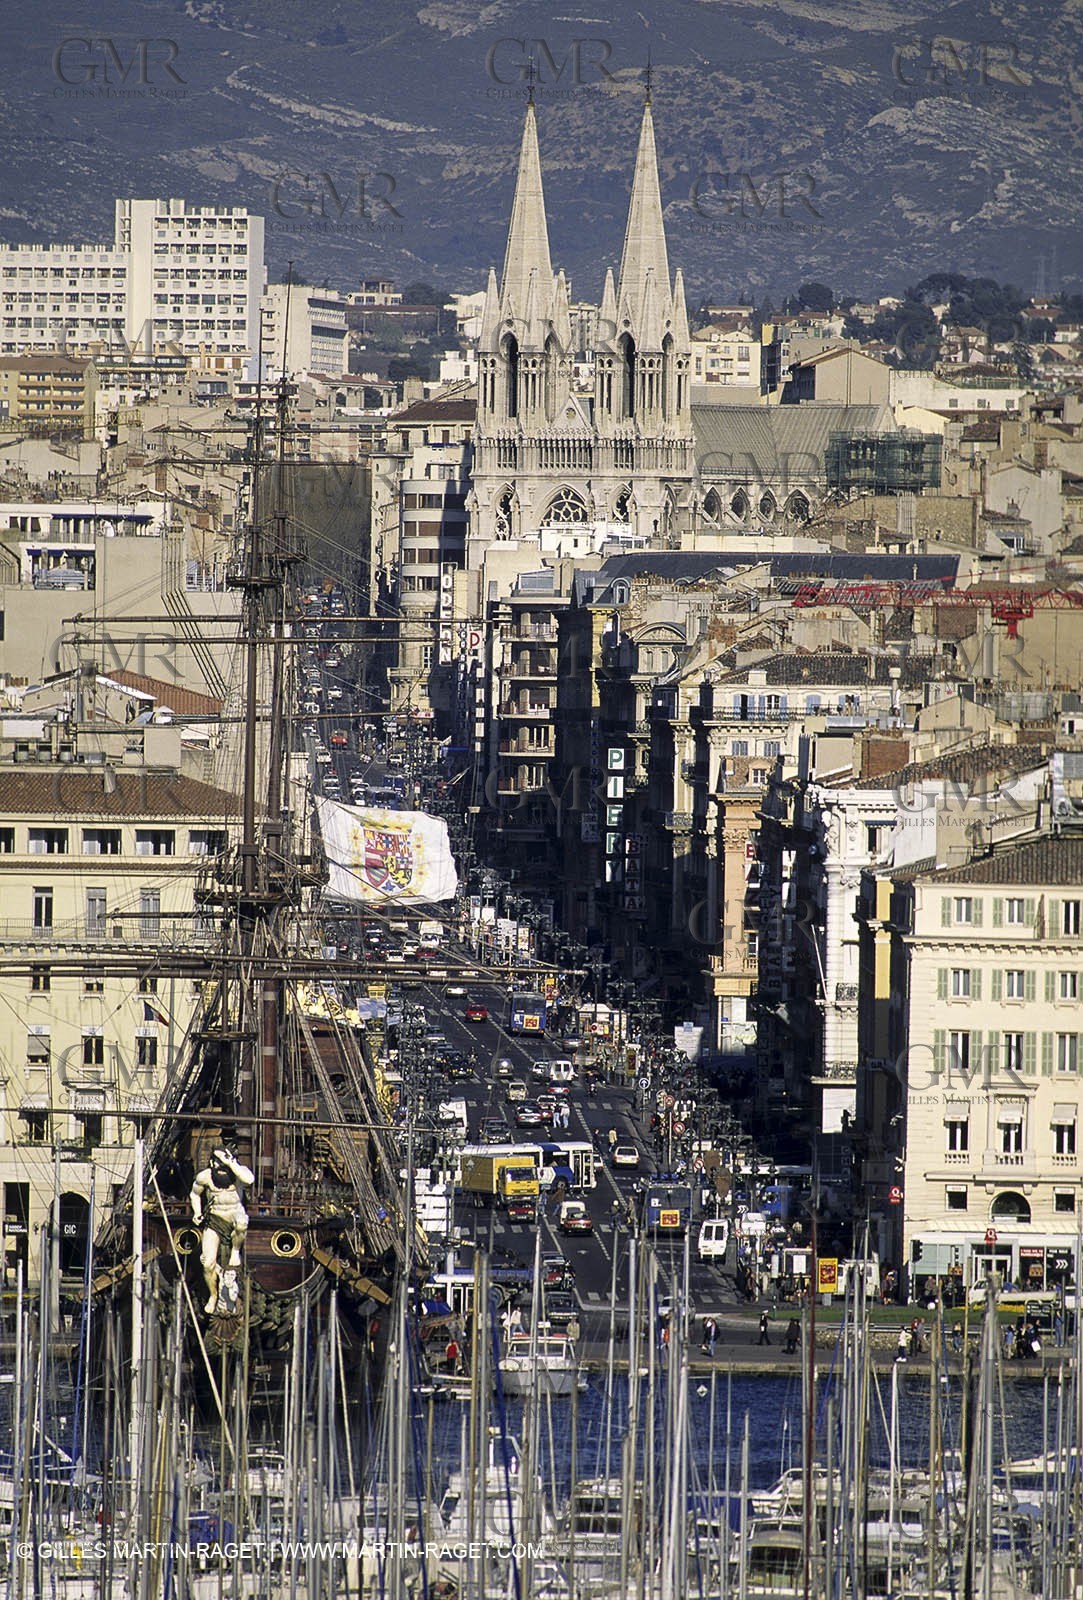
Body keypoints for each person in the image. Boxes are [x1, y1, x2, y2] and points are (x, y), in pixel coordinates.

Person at [189, 1148, 256, 1315]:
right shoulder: (205, 1177)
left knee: (242, 1223)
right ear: (212, 1162)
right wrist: (197, 1212)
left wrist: (230, 1162)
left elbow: (249, 1179)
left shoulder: (239, 1174)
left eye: (224, 1161)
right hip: (215, 1219)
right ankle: (213, 1295)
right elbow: (194, 1194)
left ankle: (235, 1251)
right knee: (207, 1263)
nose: (221, 1166)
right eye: (218, 1161)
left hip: (234, 1215)